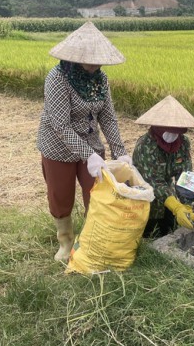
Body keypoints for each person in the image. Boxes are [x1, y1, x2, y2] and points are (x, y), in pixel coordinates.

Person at [37, 21, 132, 262]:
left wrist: (119, 152)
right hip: (58, 144)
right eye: (90, 61)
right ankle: (65, 240)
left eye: (99, 61)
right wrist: (87, 154)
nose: (95, 65)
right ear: (76, 57)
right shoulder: (57, 78)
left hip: (91, 142)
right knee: (61, 194)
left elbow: (108, 117)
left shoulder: (101, 80)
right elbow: (61, 125)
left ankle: (91, 238)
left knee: (97, 191)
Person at [132, 95, 194, 237]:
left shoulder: (182, 143)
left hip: (168, 196)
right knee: (150, 235)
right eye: (169, 130)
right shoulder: (145, 147)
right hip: (147, 198)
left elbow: (185, 175)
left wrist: (188, 205)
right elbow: (155, 182)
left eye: (177, 131)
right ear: (158, 128)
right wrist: (176, 207)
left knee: (171, 230)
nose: (173, 135)